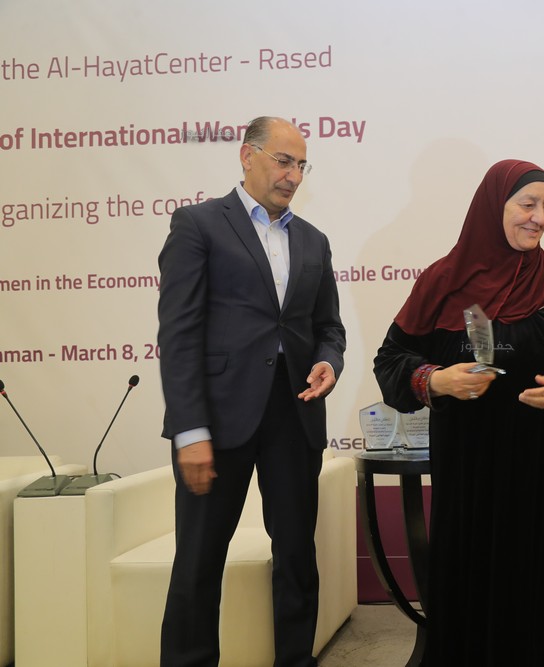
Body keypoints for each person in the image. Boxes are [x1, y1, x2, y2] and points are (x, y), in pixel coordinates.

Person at [373, 159, 544, 666]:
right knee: (485, 591)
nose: (539, 218)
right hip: (479, 480)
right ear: (493, 206)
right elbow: (391, 359)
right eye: (528, 204)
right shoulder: (442, 281)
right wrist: (436, 379)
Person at [157, 116, 346, 667]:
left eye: (301, 166)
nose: (293, 176)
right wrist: (190, 430)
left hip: (295, 413)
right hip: (218, 420)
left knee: (296, 556)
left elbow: (328, 327)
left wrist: (328, 362)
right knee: (198, 562)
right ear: (247, 155)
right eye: (283, 161)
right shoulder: (198, 225)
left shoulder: (313, 240)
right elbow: (179, 334)